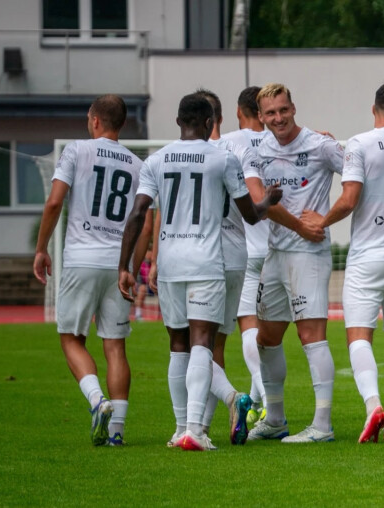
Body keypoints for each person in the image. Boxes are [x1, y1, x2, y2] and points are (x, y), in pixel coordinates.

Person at [117, 92, 281, 451]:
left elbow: (138, 214)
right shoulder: (223, 158)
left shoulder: (156, 160)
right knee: (203, 344)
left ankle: (180, 430)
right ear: (210, 123)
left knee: (178, 347)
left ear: (178, 121)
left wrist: (126, 267)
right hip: (207, 263)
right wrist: (268, 201)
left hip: (171, 264)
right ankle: (196, 429)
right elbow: (250, 214)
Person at [300, 82, 384, 443]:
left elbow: (352, 196)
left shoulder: (359, 143)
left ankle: (374, 406)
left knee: (359, 336)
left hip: (368, 256)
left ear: (374, 109)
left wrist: (321, 220)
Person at [32, 95, 142, 447]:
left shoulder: (76, 150)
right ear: (121, 124)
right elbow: (145, 223)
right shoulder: (138, 164)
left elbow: (54, 202)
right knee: (116, 346)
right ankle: (118, 432)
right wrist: (131, 268)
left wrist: (41, 248)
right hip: (117, 264)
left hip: (81, 258)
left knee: (71, 339)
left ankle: (97, 400)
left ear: (94, 120)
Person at [244, 83, 342, 444]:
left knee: (310, 336)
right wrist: (301, 225)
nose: (278, 118)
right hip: (276, 254)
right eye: (270, 113)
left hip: (309, 255)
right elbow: (259, 201)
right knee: (266, 339)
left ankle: (322, 425)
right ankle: (276, 419)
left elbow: (362, 177)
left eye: (283, 110)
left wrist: (327, 218)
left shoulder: (321, 145)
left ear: (293, 108)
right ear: (261, 116)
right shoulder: (255, 152)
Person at [194, 90, 267, 445]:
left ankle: (195, 425)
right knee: (246, 331)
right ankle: (253, 399)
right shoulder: (274, 139)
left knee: (193, 343)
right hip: (266, 246)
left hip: (207, 256)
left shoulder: (221, 147)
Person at [220, 86, 273, 423]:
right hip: (278, 245)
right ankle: (256, 403)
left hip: (244, 245)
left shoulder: (227, 142)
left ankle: (264, 396)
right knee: (269, 332)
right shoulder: (278, 141)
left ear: (240, 112)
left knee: (248, 325)